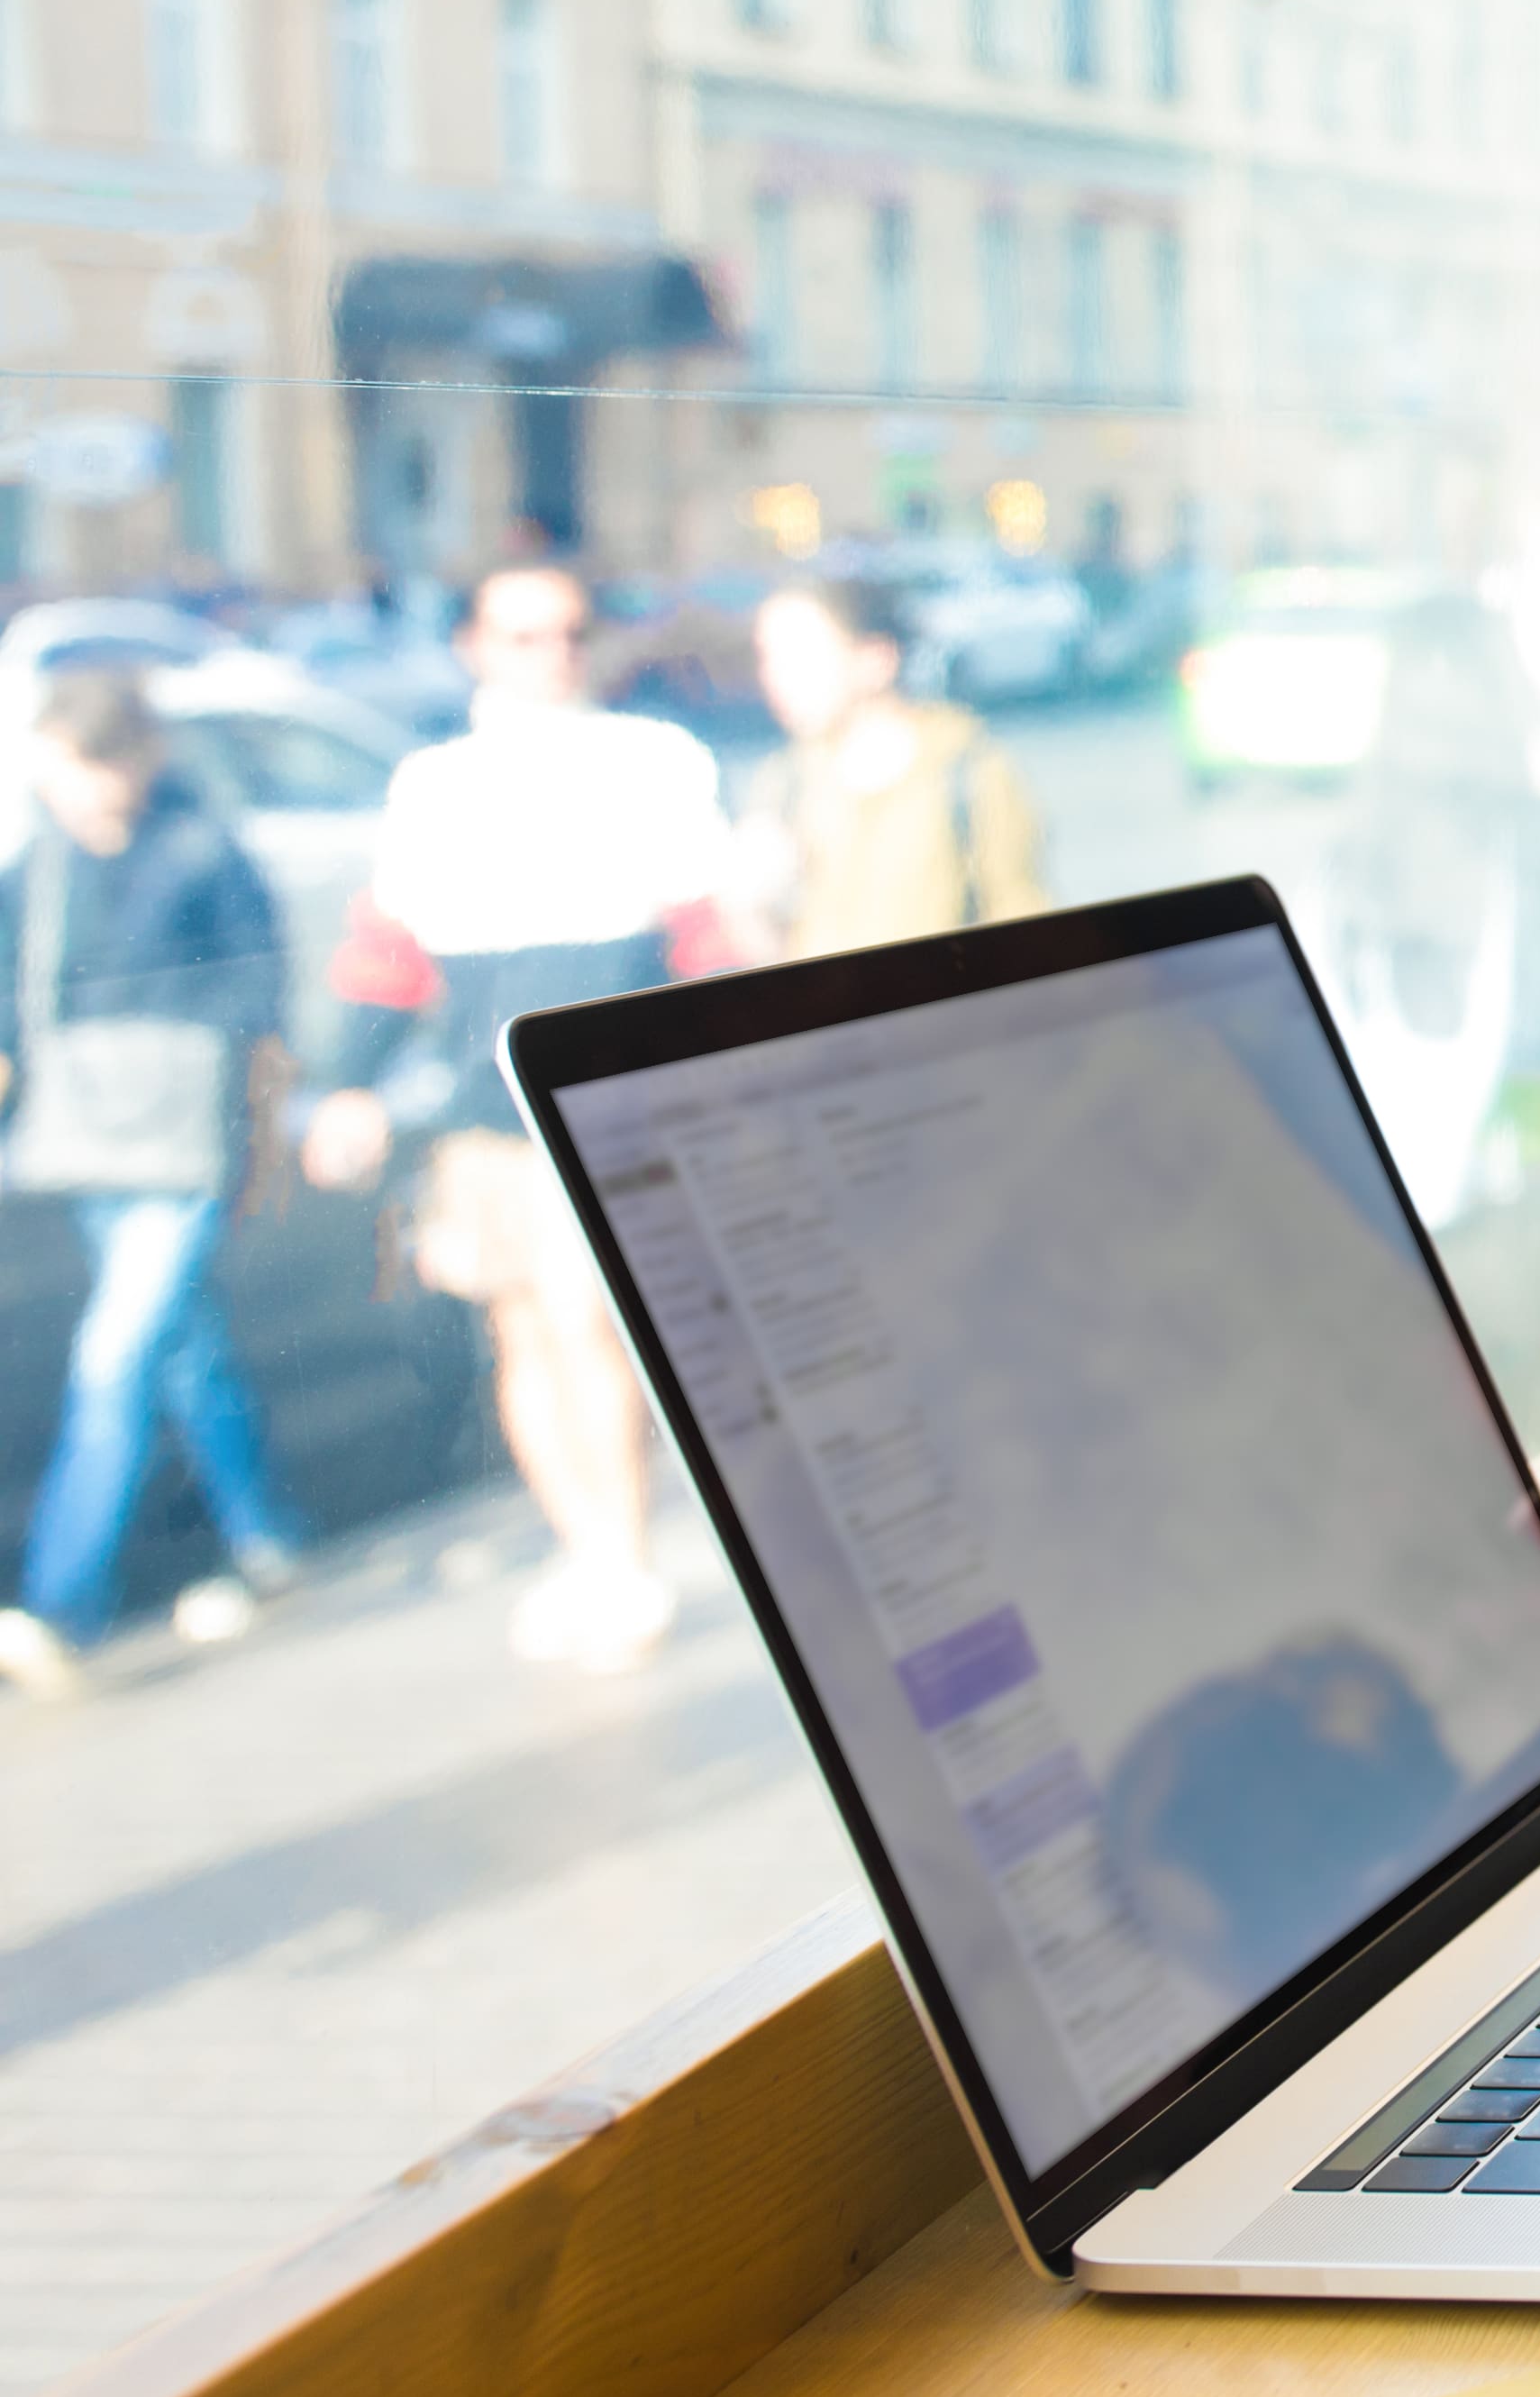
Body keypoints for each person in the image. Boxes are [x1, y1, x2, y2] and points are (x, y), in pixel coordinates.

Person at [305, 560, 733, 1672]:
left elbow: (703, 938)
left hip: (606, 1104)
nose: (554, 655)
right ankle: (587, 1551)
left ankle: (627, 1561)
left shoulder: (653, 764)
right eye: (526, 635)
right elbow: (387, 952)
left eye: (571, 633)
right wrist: (347, 1083)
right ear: (475, 646)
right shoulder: (434, 785)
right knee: (524, 1332)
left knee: (592, 1329)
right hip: (484, 1111)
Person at [0, 669, 300, 1699]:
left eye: (93, 766)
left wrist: (261, 1128)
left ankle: (59, 1601)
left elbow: (260, 993)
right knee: (180, 1349)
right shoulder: (37, 864)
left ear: (139, 758)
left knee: (114, 1359)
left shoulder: (199, 850)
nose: (77, 791)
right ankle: (269, 1535)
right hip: (90, 1141)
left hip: (183, 1143)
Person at [733, 570, 1047, 958]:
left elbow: (1022, 924)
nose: (777, 677)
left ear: (875, 658)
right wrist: (746, 904)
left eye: (801, 654)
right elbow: (771, 966)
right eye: (769, 656)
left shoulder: (965, 769)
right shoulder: (783, 782)